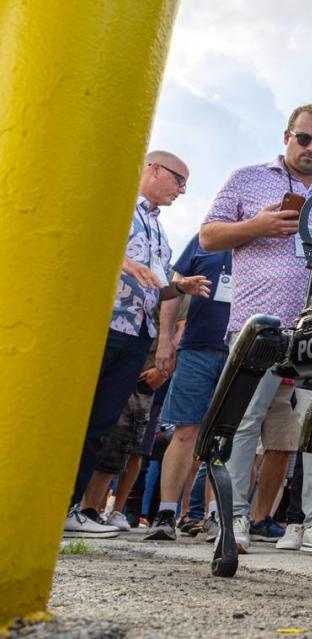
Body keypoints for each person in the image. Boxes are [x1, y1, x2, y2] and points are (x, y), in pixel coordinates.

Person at [199, 102, 312, 554]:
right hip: (256, 319)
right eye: (304, 138)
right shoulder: (247, 178)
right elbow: (208, 236)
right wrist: (256, 225)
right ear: (287, 135)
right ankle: (230, 515)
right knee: (244, 420)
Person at [64, 151, 210, 538]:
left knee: (102, 424)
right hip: (101, 327)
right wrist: (123, 262)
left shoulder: (159, 231)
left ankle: (72, 508)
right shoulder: (116, 208)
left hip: (135, 337)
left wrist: (179, 287)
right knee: (71, 416)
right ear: (154, 169)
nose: (182, 190)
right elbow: (83, 245)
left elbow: (155, 287)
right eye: (179, 180)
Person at [144, 234, 232, 541]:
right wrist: (166, 339)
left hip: (241, 347)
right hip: (197, 346)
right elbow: (175, 290)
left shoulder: (268, 240)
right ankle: (166, 512)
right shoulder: (203, 240)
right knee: (184, 431)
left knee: (224, 436)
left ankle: (214, 515)